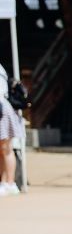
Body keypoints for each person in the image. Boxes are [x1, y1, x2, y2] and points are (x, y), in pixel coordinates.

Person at [0, 63, 24, 196]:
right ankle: (4, 182)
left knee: (6, 149)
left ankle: (10, 182)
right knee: (2, 150)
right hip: (2, 109)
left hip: (2, 110)